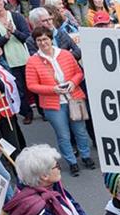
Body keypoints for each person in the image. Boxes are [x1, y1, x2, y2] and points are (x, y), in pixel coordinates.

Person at [2, 144, 102, 215]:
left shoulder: (50, 185)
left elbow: (70, 202)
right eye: (57, 166)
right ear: (44, 176)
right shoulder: (36, 207)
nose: (60, 168)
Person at [24, 26, 95, 176]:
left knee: (80, 131)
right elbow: (31, 85)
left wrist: (72, 83)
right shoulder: (32, 61)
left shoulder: (65, 55)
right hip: (53, 104)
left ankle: (86, 156)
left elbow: (78, 73)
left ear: (51, 39)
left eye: (45, 39)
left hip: (74, 97)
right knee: (63, 135)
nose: (43, 43)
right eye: (39, 40)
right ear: (35, 42)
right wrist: (53, 90)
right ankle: (72, 161)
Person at [0, 0, 34, 124]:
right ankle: (26, 113)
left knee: (33, 85)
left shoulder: (16, 17)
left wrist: (14, 32)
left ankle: (42, 110)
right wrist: (5, 37)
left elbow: (27, 36)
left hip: (25, 57)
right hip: (8, 61)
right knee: (18, 89)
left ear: (3, 0)